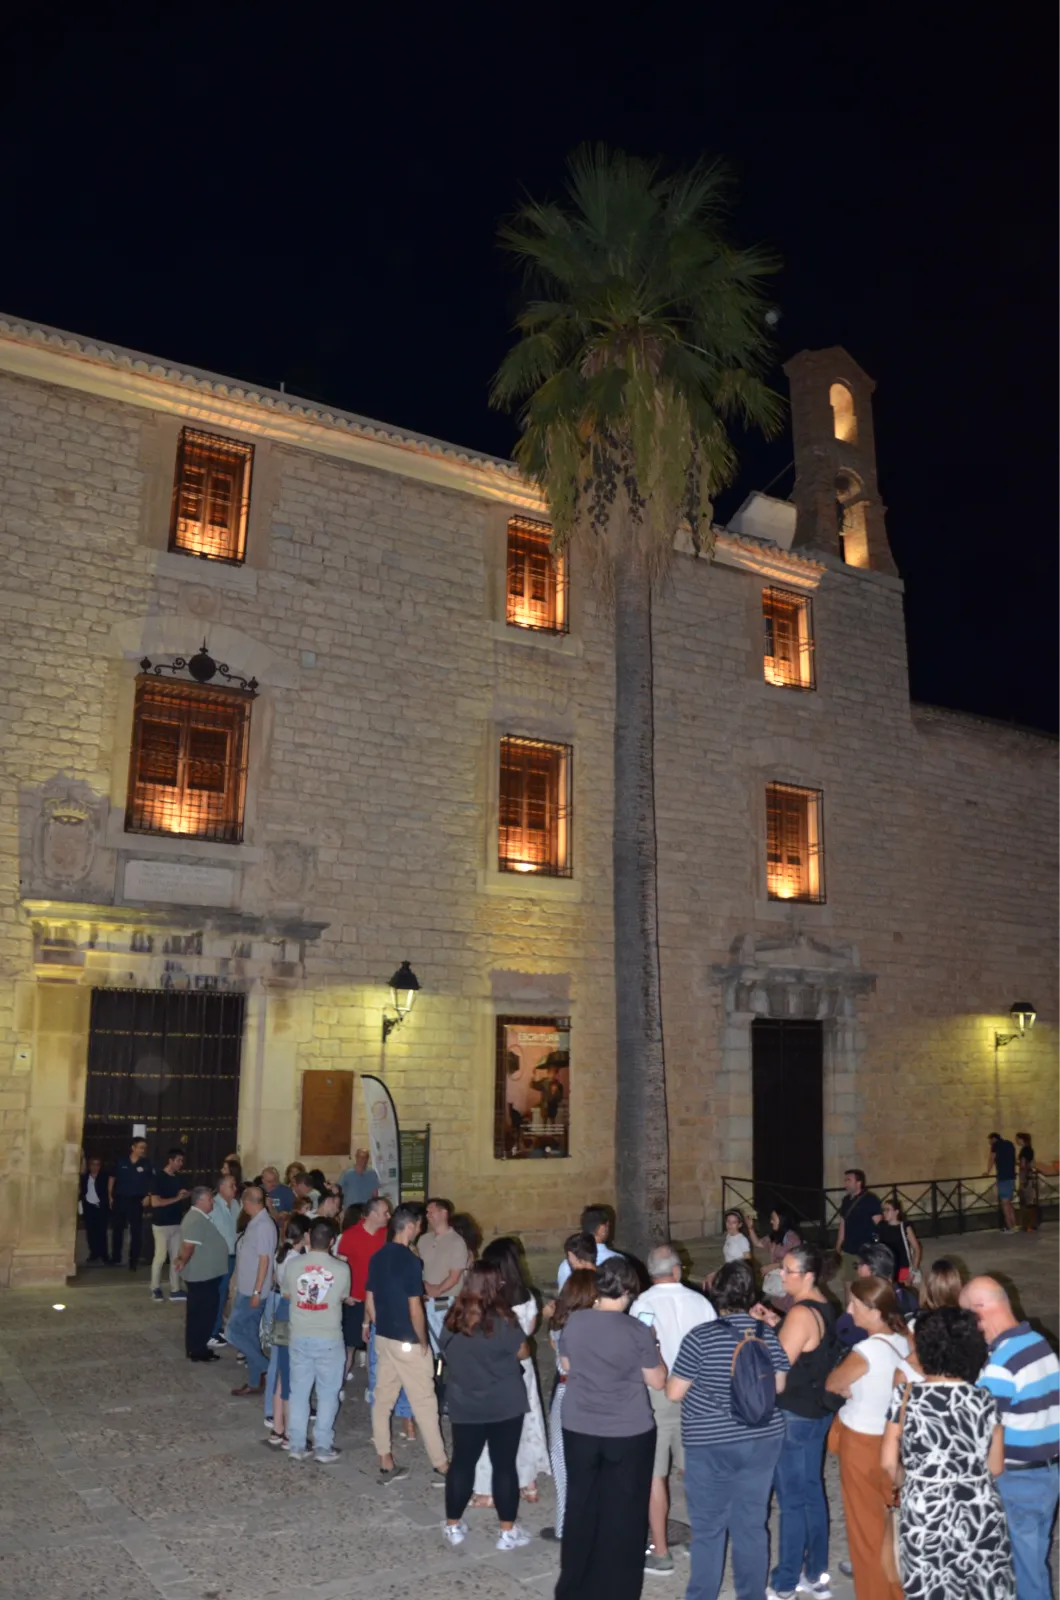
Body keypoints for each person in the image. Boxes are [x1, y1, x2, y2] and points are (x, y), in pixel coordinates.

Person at [668, 1259, 789, 1600]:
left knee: (709, 1527)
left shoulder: (700, 1337)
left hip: (710, 1443)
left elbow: (674, 1392)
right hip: (763, 1438)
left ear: (716, 1293)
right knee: (751, 1524)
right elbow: (779, 1385)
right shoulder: (766, 1334)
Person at [881, 1306, 1013, 1599]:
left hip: (926, 1509)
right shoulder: (986, 1401)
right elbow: (996, 1467)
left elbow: (888, 1463)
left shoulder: (905, 1398)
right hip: (979, 1510)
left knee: (930, 1588)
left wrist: (911, 1480)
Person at [555, 1255, 666, 1600]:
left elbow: (566, 1364)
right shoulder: (636, 1330)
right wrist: (655, 1345)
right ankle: (618, 1589)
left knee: (582, 1504)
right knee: (625, 1511)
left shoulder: (575, 1322)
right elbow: (657, 1380)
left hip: (580, 1425)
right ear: (630, 1290)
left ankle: (574, 1587)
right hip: (627, 1430)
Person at [961, 1275, 1060, 1600]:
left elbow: (979, 1429)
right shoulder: (1038, 1342)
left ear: (980, 1310)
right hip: (1047, 1473)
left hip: (1018, 1481)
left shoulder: (1002, 1362)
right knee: (1033, 1563)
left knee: (1024, 1573)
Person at [825, 1276, 914, 1600]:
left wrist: (848, 1388)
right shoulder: (905, 1341)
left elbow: (833, 1383)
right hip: (895, 1442)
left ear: (875, 1311)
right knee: (892, 1523)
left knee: (865, 1529)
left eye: (855, 1305)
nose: (849, 1311)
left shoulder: (865, 1351)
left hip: (862, 1443)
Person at [630, 1244, 717, 1577]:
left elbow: (639, 1349)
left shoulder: (643, 1305)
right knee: (693, 1469)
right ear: (677, 1269)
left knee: (655, 1474)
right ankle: (703, 1539)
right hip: (697, 1393)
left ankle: (661, 1551)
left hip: (657, 1394)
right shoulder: (700, 1302)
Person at [438, 1261, 532, 1550]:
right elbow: (523, 1352)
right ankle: (507, 1532)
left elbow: (445, 1350)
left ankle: (453, 1525)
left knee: (462, 1463)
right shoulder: (504, 1320)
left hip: (466, 1402)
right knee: (504, 1465)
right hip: (505, 1402)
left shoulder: (453, 1318)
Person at [768, 1242, 840, 1600]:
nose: (781, 1275)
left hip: (794, 1415)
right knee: (811, 1491)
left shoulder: (799, 1314)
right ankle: (815, 1573)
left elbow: (776, 1369)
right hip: (816, 1412)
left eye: (788, 1270)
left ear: (808, 1275)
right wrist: (774, 1323)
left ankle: (785, 1582)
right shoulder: (824, 1303)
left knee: (793, 1500)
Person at [365, 1202, 448, 1484]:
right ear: (410, 1227)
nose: (419, 1230)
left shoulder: (377, 1257)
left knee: (382, 1400)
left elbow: (370, 1300)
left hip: (385, 1339)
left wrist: (380, 1327)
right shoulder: (411, 1262)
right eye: (419, 1226)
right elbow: (415, 1308)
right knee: (425, 1402)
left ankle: (385, 1461)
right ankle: (441, 1465)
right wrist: (423, 1341)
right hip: (408, 1342)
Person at [470, 1237, 550, 1507]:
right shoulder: (527, 1296)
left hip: (496, 1368)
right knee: (526, 1423)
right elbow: (530, 1330)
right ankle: (528, 1483)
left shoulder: (492, 1302)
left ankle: (488, 1490)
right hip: (522, 1368)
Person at [281, 1217, 350, 1464]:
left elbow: (287, 1294)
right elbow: (342, 1296)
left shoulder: (292, 1265)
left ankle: (297, 1444)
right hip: (329, 1336)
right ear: (332, 1241)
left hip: (300, 1334)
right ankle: (322, 1446)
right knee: (328, 1393)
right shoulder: (342, 1269)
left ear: (308, 1237)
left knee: (299, 1392)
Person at [540, 1267, 598, 1543]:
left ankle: (566, 1526)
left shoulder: (560, 1324)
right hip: (597, 1393)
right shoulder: (601, 1324)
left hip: (567, 1391)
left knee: (562, 1460)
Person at [227, 1183, 277, 1397]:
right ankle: (255, 1381)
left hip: (252, 1292)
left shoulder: (263, 1225)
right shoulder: (256, 1222)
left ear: (247, 1202)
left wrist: (256, 1292)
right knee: (249, 1335)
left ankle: (268, 1368)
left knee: (232, 1331)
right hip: (246, 1288)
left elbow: (264, 1260)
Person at [264, 1212, 309, 1445]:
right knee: (291, 1374)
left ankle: (278, 1427)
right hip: (293, 1313)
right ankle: (290, 1432)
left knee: (283, 1371)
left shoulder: (281, 1255)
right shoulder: (297, 1260)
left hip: (282, 1310)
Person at [336, 1194, 390, 1377]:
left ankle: (374, 1386)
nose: (388, 1216)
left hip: (381, 1300)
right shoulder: (350, 1235)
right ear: (373, 1214)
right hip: (356, 1300)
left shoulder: (387, 1235)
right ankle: (339, 1383)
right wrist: (344, 1295)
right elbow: (340, 1267)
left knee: (376, 1348)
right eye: (385, 1212)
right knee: (348, 1347)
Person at [173, 1185, 229, 1362]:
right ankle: (197, 1350)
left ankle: (197, 1347)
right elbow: (188, 1246)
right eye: (210, 1199)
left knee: (202, 1313)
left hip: (206, 1275)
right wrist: (182, 1260)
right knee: (202, 1314)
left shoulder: (199, 1217)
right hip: (201, 1276)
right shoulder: (195, 1219)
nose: (213, 1202)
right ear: (200, 1201)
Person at [419, 1196, 472, 1354]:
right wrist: (423, 1287)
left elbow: (455, 1275)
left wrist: (437, 1290)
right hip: (425, 1300)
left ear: (444, 1213)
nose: (428, 1215)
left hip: (446, 1301)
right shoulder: (423, 1239)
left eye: (431, 1211)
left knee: (447, 1345)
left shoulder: (457, 1242)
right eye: (427, 1212)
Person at [148, 1147, 190, 1304]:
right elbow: (155, 1202)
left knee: (176, 1257)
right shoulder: (158, 1178)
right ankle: (155, 1288)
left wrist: (187, 1194)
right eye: (178, 1160)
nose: (181, 1163)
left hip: (176, 1223)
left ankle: (175, 1288)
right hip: (161, 1224)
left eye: (182, 1161)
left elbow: (182, 1195)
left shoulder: (178, 1178)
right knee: (160, 1256)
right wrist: (177, 1198)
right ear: (170, 1160)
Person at [108, 1137, 154, 1269]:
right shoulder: (121, 1161)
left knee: (136, 1231)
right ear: (133, 1148)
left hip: (136, 1200)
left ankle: (133, 1260)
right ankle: (116, 1258)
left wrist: (149, 1195)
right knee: (117, 1229)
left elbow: (151, 1181)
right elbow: (112, 1178)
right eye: (140, 1147)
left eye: (144, 1148)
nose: (142, 1150)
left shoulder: (146, 1163)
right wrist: (110, 1195)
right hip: (120, 1199)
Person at [208, 1171, 241, 1347]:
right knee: (217, 1293)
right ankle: (211, 1332)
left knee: (225, 1293)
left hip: (232, 1254)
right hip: (218, 1256)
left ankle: (218, 1325)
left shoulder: (235, 1204)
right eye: (231, 1185)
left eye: (235, 1185)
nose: (235, 1188)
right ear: (221, 1187)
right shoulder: (212, 1205)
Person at [556, 1205, 620, 1290]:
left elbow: (563, 1294)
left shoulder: (566, 1264)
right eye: (608, 1226)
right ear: (602, 1228)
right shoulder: (618, 1261)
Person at [835, 1168, 882, 1282]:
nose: (845, 1183)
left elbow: (878, 1222)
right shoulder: (846, 1200)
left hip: (866, 1248)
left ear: (859, 1183)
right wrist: (839, 1243)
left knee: (865, 1280)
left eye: (849, 1180)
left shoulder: (870, 1199)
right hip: (849, 1247)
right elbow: (843, 1222)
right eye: (845, 1180)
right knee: (847, 1279)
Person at [872, 1196, 921, 1282]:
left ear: (896, 1212)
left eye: (888, 1210)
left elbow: (916, 1248)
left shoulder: (904, 1227)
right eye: (884, 1210)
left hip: (903, 1267)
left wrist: (913, 1271)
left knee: (902, 1289)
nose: (884, 1212)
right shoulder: (881, 1226)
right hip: (887, 1268)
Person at [78, 1155, 110, 1264]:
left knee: (101, 1231)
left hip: (100, 1206)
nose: (95, 1167)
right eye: (93, 1164)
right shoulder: (85, 1177)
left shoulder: (104, 1177)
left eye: (97, 1165)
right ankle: (94, 1253)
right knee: (91, 1232)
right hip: (89, 1206)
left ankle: (104, 1254)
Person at [988, 1133, 1019, 1233]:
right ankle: (1014, 1224)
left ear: (994, 1139)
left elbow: (992, 1158)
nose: (989, 1143)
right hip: (1011, 1176)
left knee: (1004, 1203)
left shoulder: (995, 1145)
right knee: (1009, 1202)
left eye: (990, 1141)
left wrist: (987, 1171)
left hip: (1003, 1177)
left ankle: (1009, 1227)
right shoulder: (1009, 1144)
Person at [337, 1147, 380, 1212]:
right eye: (361, 1157)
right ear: (356, 1157)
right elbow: (338, 1190)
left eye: (365, 1157)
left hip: (366, 1210)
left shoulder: (372, 1174)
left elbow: (375, 1194)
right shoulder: (347, 1173)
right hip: (350, 1210)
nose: (363, 1160)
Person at [1017, 1131, 1039, 1231]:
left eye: (1018, 1139)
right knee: (1031, 1201)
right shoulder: (1030, 1149)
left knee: (1024, 1201)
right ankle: (1033, 1223)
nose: (1017, 1141)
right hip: (1030, 1176)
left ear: (1022, 1140)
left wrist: (1022, 1181)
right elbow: (1032, 1163)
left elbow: (1023, 1165)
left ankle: (1026, 1224)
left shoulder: (1024, 1151)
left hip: (1025, 1176)